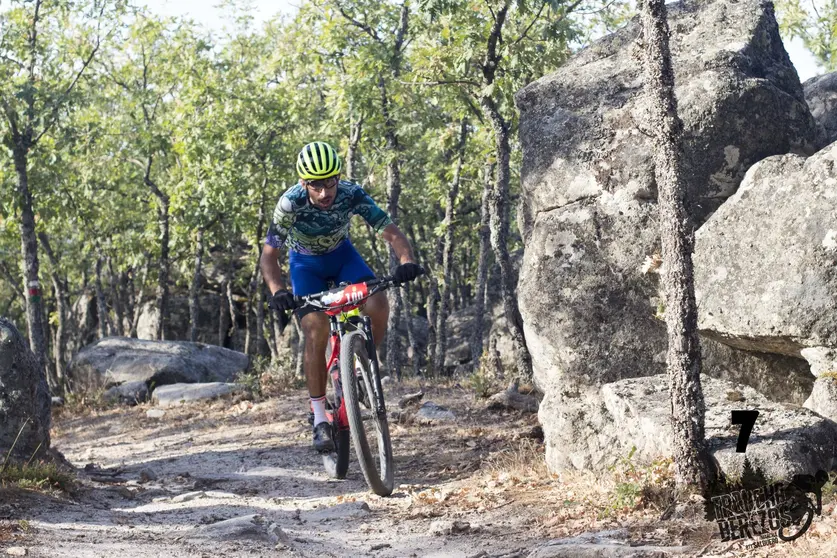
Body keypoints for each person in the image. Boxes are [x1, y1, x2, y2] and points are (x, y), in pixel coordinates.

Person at [260, 141, 421, 453]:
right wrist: (278, 291)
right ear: (304, 183)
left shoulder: (350, 193)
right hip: (305, 264)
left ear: (338, 177)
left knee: (377, 301)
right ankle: (319, 417)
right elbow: (269, 256)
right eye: (316, 186)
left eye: (330, 182)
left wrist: (406, 261)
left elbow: (390, 232)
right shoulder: (290, 203)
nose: (324, 193)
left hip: (342, 256)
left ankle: (360, 366)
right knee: (315, 329)